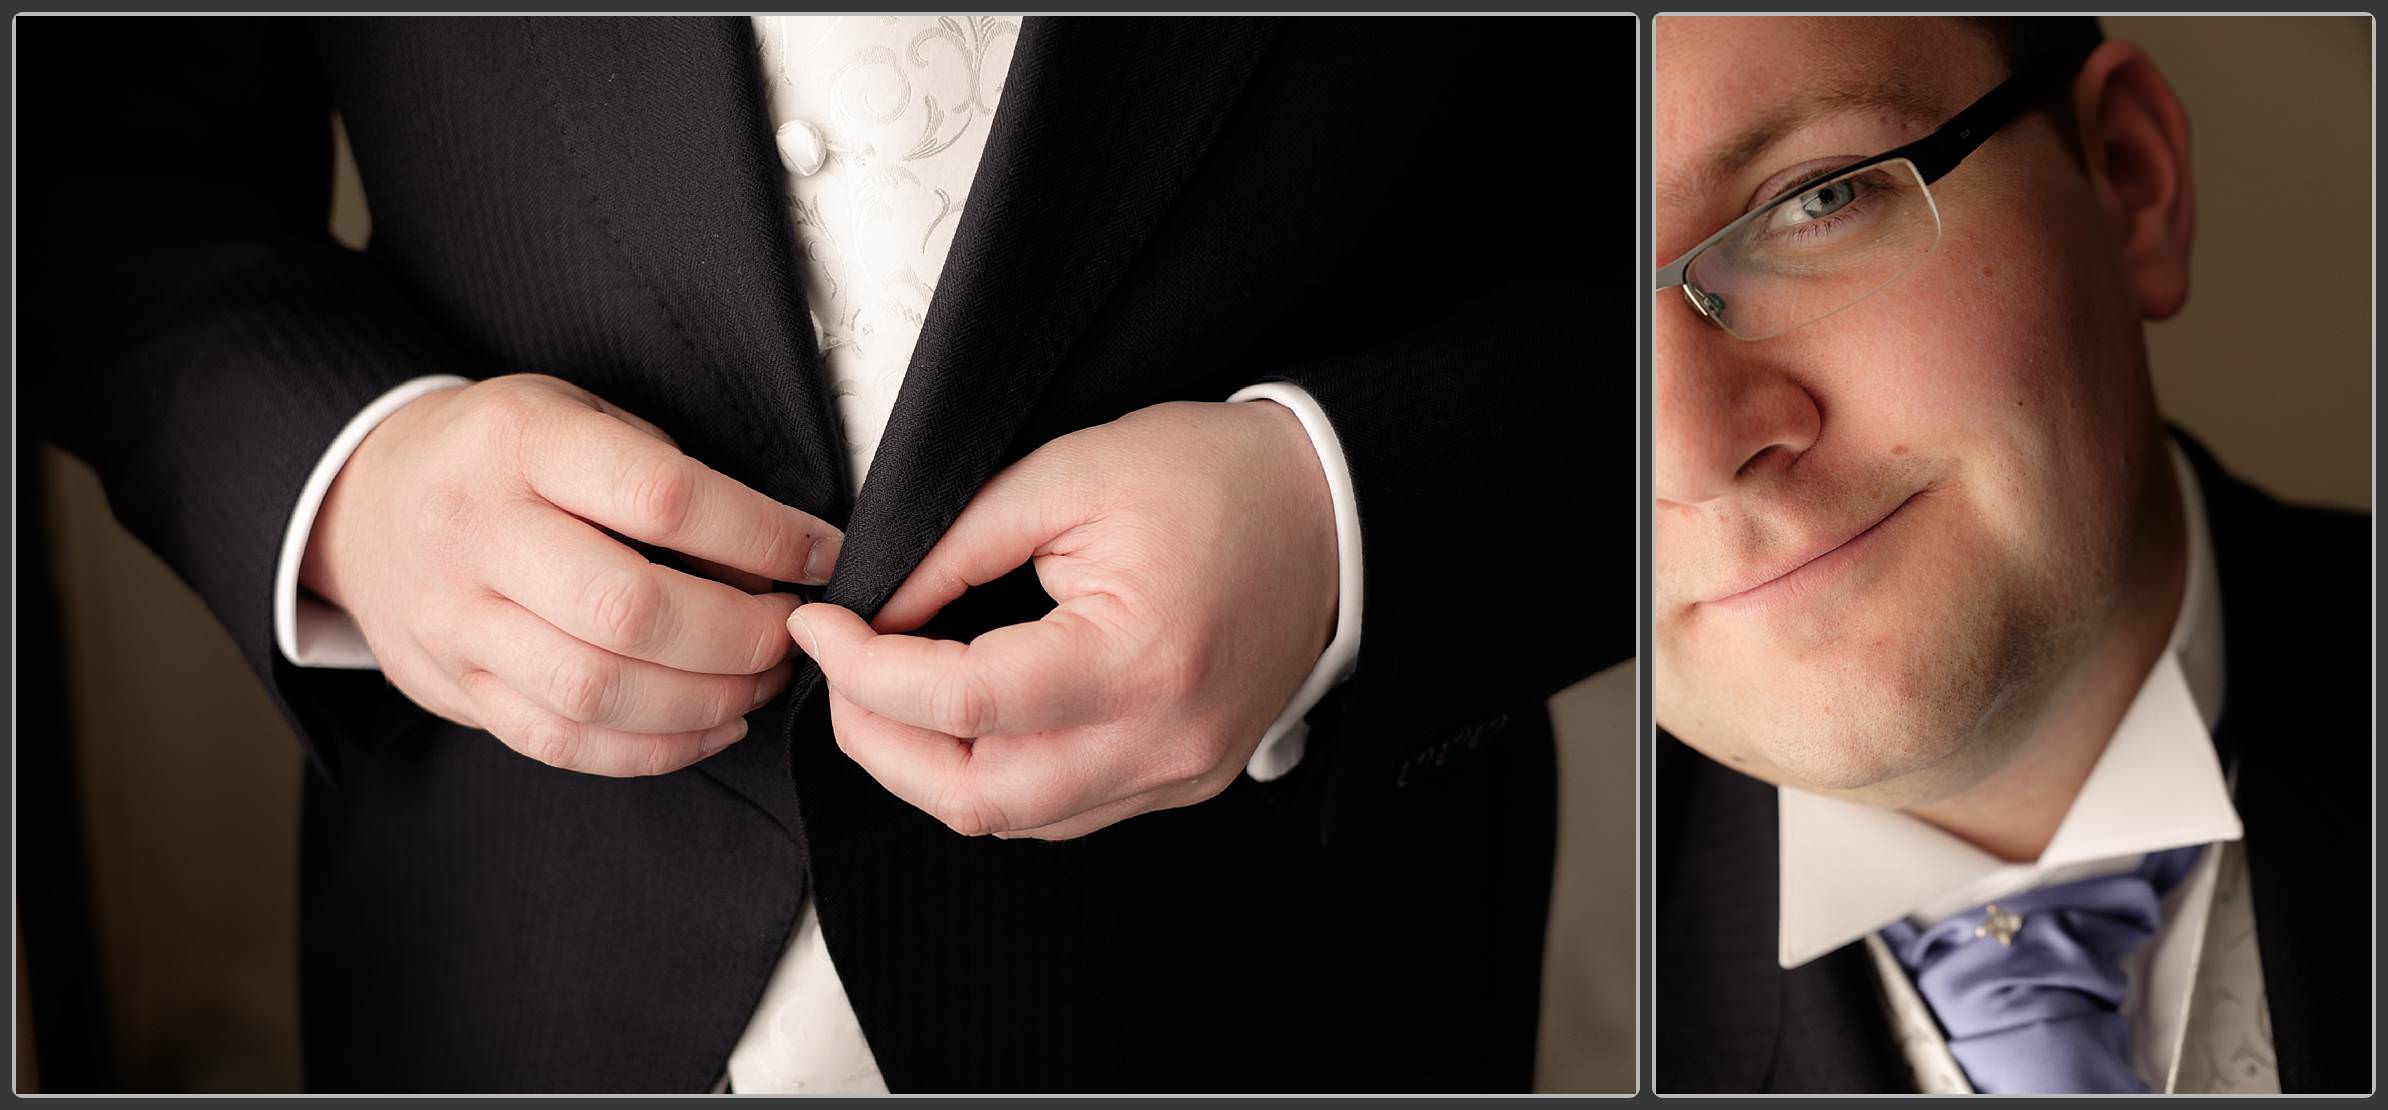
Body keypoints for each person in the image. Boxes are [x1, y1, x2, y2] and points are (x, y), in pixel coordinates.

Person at [22, 14, 1629, 1093]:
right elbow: (93, 168)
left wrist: (1347, 511)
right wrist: (356, 476)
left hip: (1288, 979)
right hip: (523, 960)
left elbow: (1696, 210)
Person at [1651, 15, 2366, 1095]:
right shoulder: (1495, 1003)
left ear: (2130, 179)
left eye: (1819, 197)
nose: (1699, 452)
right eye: (1568, 335)